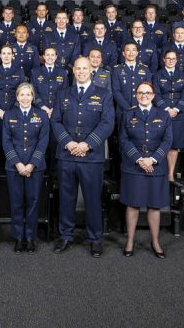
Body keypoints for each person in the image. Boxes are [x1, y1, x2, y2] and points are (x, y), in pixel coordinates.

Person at [51, 57, 114, 257]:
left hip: (91, 156)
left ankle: (95, 238)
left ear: (91, 71)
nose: (81, 71)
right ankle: (66, 235)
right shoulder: (63, 94)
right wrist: (69, 143)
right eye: (78, 68)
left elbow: (107, 124)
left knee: (93, 199)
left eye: (85, 68)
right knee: (66, 198)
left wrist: (87, 144)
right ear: (73, 71)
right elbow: (56, 121)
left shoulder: (103, 95)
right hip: (66, 155)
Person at [119, 81, 172, 258]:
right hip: (133, 167)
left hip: (156, 168)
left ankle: (155, 241)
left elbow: (167, 141)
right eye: (141, 93)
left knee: (154, 206)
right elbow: (124, 140)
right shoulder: (127, 115)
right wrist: (140, 159)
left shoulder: (163, 115)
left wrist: (153, 159)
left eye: (147, 93)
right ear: (136, 95)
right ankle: (130, 241)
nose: (144, 96)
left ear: (153, 95)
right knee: (133, 205)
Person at [2, 83, 50, 254]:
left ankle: (30, 237)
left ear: (33, 96)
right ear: (17, 97)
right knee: (16, 203)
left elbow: (43, 142)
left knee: (33, 202)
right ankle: (17, 237)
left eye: (28, 95)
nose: (25, 98)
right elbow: (6, 142)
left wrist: (31, 164)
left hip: (34, 167)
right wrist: (18, 164)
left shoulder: (42, 115)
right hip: (14, 166)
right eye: (21, 95)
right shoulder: (9, 115)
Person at [153, 50, 184, 182]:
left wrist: (176, 109)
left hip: (178, 115)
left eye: (173, 58)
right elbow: (155, 94)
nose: (170, 60)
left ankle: (170, 174)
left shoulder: (183, 75)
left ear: (176, 60)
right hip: (161, 113)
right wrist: (166, 109)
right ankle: (160, 172)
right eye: (168, 58)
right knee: (161, 144)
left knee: (174, 146)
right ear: (164, 59)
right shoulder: (157, 75)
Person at [112, 42, 152, 123]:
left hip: (142, 110)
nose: (131, 53)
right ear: (123, 53)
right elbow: (116, 91)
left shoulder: (145, 69)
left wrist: (139, 106)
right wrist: (128, 108)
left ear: (137, 53)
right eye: (128, 50)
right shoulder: (117, 70)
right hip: (123, 110)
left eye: (133, 50)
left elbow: (149, 90)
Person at [0, 46, 25, 119]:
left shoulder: (19, 71)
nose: (6, 56)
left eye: (9, 53)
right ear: (0, 56)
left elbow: (22, 91)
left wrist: (14, 109)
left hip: (15, 109)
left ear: (12, 55)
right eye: (4, 53)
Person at [31, 47, 69, 118]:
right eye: (48, 55)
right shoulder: (35, 72)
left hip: (57, 110)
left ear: (56, 57)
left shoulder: (62, 72)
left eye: (52, 55)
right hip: (39, 110)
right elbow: (33, 92)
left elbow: (65, 92)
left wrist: (54, 108)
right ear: (44, 56)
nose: (50, 57)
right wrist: (43, 107)